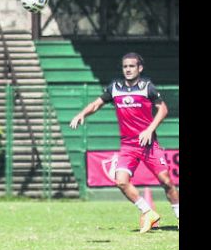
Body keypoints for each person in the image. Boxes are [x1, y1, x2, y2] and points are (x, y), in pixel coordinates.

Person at [70, 52, 179, 233]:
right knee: (120, 181)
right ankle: (148, 212)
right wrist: (82, 114)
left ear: (139, 68)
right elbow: (97, 104)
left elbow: (163, 109)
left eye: (132, 66)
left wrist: (149, 129)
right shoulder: (115, 87)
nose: (128, 69)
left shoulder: (147, 87)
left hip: (149, 144)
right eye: (125, 66)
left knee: (166, 182)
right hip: (129, 146)